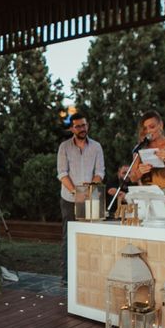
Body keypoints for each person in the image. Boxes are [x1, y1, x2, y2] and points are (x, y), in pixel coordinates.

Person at [57, 114, 105, 281]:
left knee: (91, 237)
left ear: (88, 125)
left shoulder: (97, 147)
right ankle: (67, 276)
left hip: (91, 198)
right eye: (78, 126)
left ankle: (89, 274)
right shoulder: (64, 147)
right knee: (69, 236)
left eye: (84, 125)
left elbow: (100, 172)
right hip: (70, 199)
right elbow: (62, 173)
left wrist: (90, 188)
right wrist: (76, 192)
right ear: (72, 128)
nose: (82, 129)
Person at [130, 110, 165, 210]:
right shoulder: (141, 147)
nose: (148, 131)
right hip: (148, 195)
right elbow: (132, 178)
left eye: (152, 127)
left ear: (161, 125)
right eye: (145, 128)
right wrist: (140, 172)